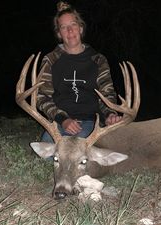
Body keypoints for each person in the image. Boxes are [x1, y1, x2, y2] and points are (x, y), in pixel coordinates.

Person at [37, 1, 122, 142]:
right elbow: (42, 97)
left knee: (80, 149)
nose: (70, 31)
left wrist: (109, 115)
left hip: (91, 123)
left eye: (73, 25)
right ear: (59, 34)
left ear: (81, 28)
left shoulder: (98, 60)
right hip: (60, 123)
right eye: (64, 27)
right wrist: (63, 120)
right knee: (47, 149)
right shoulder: (50, 60)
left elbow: (107, 94)